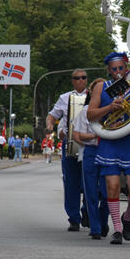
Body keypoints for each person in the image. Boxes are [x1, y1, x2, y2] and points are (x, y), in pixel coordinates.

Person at [87, 52, 130, 245]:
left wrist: (123, 128)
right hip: (110, 144)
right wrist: (109, 109)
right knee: (112, 187)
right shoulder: (101, 87)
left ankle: (127, 218)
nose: (117, 72)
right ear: (108, 70)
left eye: (121, 68)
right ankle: (117, 229)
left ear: (126, 68)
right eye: (114, 69)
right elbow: (90, 114)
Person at [46, 69, 89, 232]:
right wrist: (50, 125)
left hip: (88, 144)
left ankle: (87, 212)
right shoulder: (65, 98)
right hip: (69, 144)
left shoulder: (94, 96)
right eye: (77, 78)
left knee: (89, 183)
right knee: (71, 183)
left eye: (83, 78)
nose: (80, 80)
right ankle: (74, 218)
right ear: (72, 80)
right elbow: (53, 115)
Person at [72, 78, 110, 240]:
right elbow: (78, 135)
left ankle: (103, 221)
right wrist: (95, 135)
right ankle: (95, 227)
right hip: (91, 151)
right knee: (91, 192)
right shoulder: (86, 111)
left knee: (108, 192)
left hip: (108, 151)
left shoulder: (112, 108)